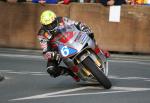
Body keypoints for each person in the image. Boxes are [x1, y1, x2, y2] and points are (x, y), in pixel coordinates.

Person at [37, 10, 95, 82]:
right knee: (51, 69)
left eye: (52, 24)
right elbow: (45, 49)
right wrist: (50, 54)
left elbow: (76, 23)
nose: (50, 26)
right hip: (57, 49)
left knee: (90, 34)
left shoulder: (62, 20)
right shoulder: (42, 34)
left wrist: (83, 27)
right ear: (43, 25)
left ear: (55, 20)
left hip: (72, 39)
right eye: (47, 25)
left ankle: (98, 49)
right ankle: (72, 73)